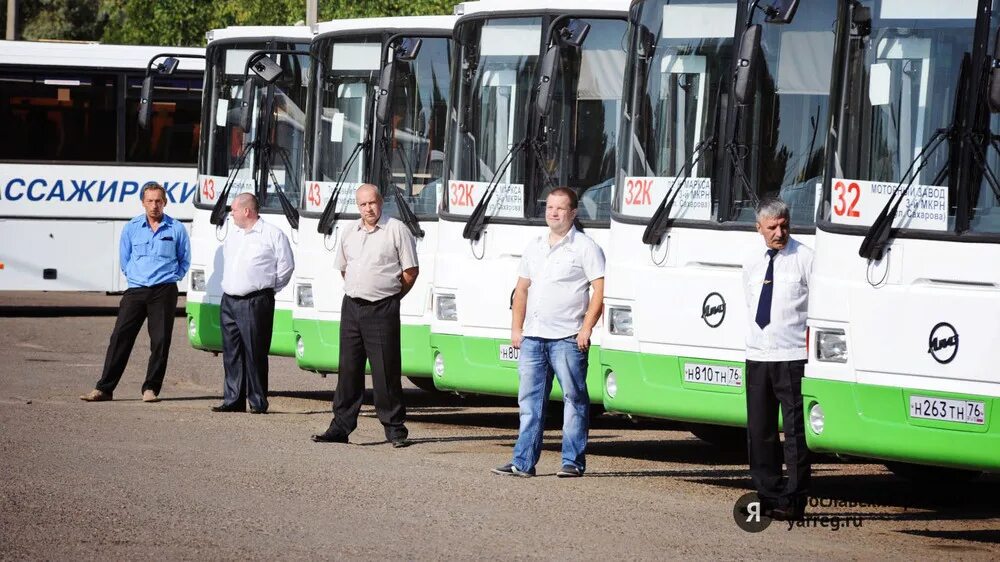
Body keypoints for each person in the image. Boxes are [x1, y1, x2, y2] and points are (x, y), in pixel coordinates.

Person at [492, 187, 605, 478]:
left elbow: (599, 292)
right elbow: (521, 290)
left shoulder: (585, 247)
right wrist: (517, 329)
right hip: (533, 338)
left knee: (574, 400)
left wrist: (586, 328)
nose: (553, 213)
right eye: (550, 207)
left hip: (568, 338)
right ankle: (523, 462)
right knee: (529, 402)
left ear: (573, 213)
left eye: (560, 208)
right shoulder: (535, 245)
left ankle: (572, 462)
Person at [311, 184, 419, 447]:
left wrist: (391, 296)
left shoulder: (397, 230)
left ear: (381, 202)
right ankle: (340, 427)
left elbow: (411, 272)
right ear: (357, 206)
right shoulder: (350, 231)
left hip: (382, 308)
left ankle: (395, 429)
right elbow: (344, 268)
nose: (368, 209)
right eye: (363, 205)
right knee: (348, 369)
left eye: (372, 203)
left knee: (385, 370)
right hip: (352, 307)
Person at [81, 182, 190, 403]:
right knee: (120, 338)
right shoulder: (131, 227)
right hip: (136, 290)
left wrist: (172, 277)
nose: (154, 205)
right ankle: (104, 388)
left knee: (160, 341)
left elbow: (184, 260)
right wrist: (136, 276)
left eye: (158, 201)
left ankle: (150, 388)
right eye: (149, 201)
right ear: (143, 203)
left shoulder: (176, 228)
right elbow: (125, 258)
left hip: (164, 290)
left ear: (165, 202)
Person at [741, 197, 814, 520]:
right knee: (760, 429)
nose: (779, 232)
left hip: (793, 355)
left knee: (795, 433)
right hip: (759, 354)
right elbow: (750, 299)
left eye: (784, 225)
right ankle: (768, 494)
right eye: (772, 227)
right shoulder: (751, 260)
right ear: (759, 228)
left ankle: (794, 499)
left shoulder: (806, 259)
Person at [211, 193, 294, 414]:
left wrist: (266, 288)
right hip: (229, 300)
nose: (231, 213)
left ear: (247, 211)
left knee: (255, 352)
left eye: (234, 210)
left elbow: (286, 267)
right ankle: (233, 400)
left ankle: (257, 401)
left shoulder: (272, 235)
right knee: (232, 353)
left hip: (255, 301)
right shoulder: (234, 235)